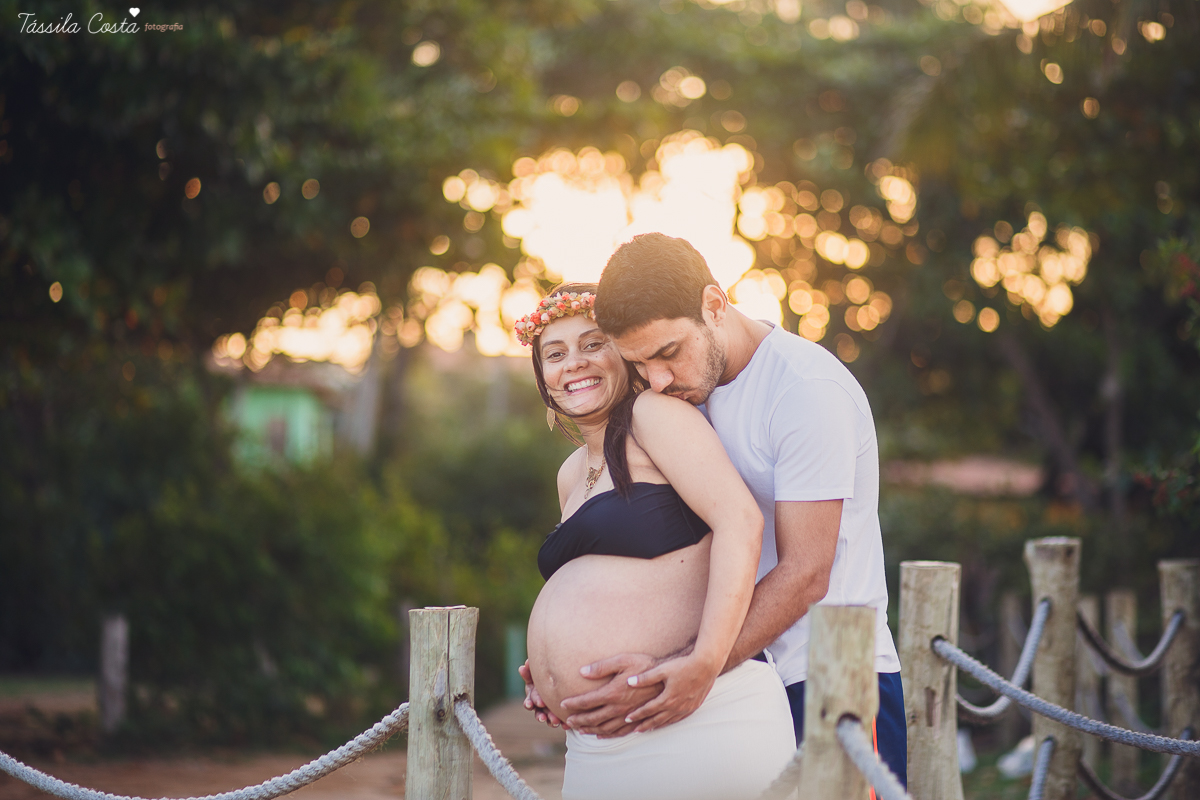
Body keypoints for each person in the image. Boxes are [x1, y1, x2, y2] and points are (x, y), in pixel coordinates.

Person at [530, 233, 908, 787]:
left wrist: (696, 663)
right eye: (640, 364)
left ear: (715, 304)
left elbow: (807, 573)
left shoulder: (804, 390)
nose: (657, 380)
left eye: (667, 354)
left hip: (829, 672)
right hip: (737, 669)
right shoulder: (686, 392)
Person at [516, 284, 796, 800]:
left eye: (592, 344)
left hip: (700, 718)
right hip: (597, 745)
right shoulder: (570, 473)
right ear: (543, 377)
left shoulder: (653, 416)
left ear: (624, 353)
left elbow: (741, 523)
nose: (573, 363)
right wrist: (552, 674)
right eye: (554, 354)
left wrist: (706, 662)